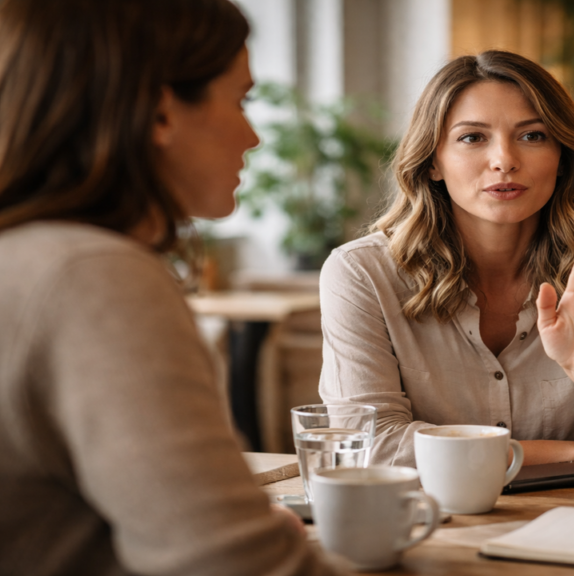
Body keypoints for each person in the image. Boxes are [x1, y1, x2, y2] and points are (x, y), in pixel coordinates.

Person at [0, 1, 342, 574]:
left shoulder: (30, 258)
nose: (253, 137)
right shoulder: (91, 278)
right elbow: (233, 565)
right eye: (241, 100)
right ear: (160, 112)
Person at [318, 50, 574, 475]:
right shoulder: (361, 274)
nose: (504, 160)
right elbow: (369, 448)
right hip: (429, 525)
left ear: (562, 157)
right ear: (431, 162)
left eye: (532, 136)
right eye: (472, 138)